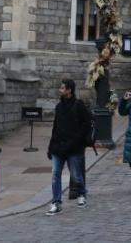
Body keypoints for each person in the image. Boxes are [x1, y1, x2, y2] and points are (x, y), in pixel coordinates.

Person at [46, 78, 93, 213]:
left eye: (62, 88)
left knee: (76, 175)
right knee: (55, 174)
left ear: (69, 90)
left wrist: (78, 141)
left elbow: (86, 124)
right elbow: (55, 127)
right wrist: (50, 147)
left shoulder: (78, 105)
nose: (59, 90)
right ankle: (56, 202)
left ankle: (82, 193)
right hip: (58, 147)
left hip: (73, 148)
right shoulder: (59, 107)